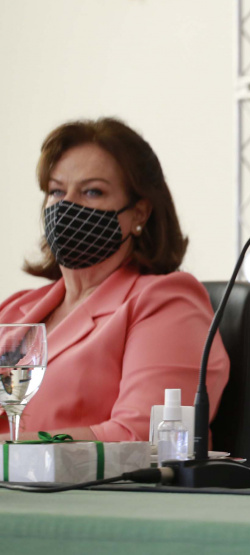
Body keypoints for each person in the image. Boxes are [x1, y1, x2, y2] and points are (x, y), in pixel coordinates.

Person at [0, 118, 229, 443]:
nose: (66, 206)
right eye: (56, 191)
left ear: (139, 213)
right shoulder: (15, 310)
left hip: (87, 493)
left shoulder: (165, 302)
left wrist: (10, 450)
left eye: (92, 192)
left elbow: (144, 437)